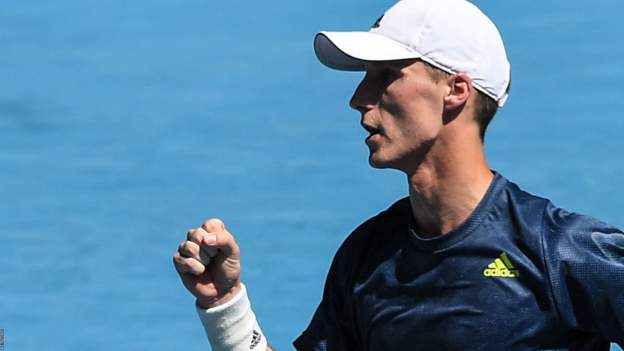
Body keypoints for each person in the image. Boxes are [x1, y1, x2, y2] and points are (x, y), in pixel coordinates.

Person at [173, 0, 624, 350]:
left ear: (456, 91)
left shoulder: (562, 252)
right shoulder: (366, 258)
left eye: (385, 76)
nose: (359, 98)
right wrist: (224, 303)